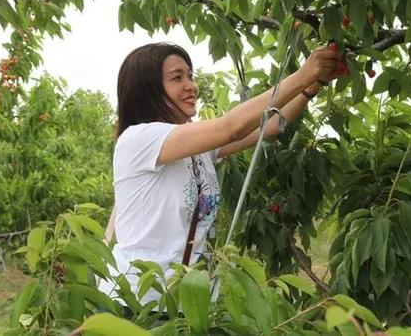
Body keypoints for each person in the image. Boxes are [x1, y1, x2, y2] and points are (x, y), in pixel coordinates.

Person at [97, 41, 341, 311]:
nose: (191, 85)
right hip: (136, 304)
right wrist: (304, 73)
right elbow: (231, 128)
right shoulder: (139, 139)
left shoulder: (196, 147)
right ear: (148, 90)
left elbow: (270, 125)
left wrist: (311, 86)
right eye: (177, 78)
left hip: (183, 302)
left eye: (190, 75)